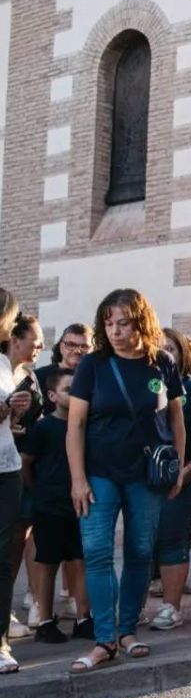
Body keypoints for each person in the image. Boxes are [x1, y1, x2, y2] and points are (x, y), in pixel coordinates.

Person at [66, 288, 185, 673]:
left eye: (124, 323)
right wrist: (78, 479)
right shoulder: (93, 364)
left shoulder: (162, 364)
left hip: (146, 476)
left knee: (138, 552)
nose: (115, 331)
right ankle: (105, 640)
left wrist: (179, 467)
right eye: (109, 323)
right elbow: (76, 425)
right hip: (99, 473)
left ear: (141, 322)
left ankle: (128, 630)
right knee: (98, 551)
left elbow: (176, 421)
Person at [147, 328, 191, 632]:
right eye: (159, 349)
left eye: (171, 349)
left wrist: (188, 470)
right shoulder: (143, 385)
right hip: (141, 480)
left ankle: (170, 608)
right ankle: (132, 607)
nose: (165, 354)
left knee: (173, 540)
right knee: (141, 544)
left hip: (181, 480)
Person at [21, 367, 92, 643]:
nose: (74, 395)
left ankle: (84, 619)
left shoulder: (85, 424)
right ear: (51, 395)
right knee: (48, 563)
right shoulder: (43, 427)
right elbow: (27, 462)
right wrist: (38, 490)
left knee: (80, 560)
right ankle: (46, 622)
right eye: (67, 390)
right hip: (49, 505)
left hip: (79, 503)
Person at [3, 314, 44, 632]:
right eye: (36, 340)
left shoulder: (30, 377)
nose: (41, 346)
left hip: (21, 468)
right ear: (16, 339)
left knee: (17, 539)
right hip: (9, 464)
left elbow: (31, 423)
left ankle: (10, 610)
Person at [0, 287, 33, 673]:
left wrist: (16, 412)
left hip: (7, 468)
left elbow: (10, 423)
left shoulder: (5, 363)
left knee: (3, 557)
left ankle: (1, 642)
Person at [36, 324, 92, 418]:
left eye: (84, 346)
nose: (77, 351)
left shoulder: (98, 379)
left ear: (93, 349)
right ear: (61, 347)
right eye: (71, 345)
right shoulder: (39, 377)